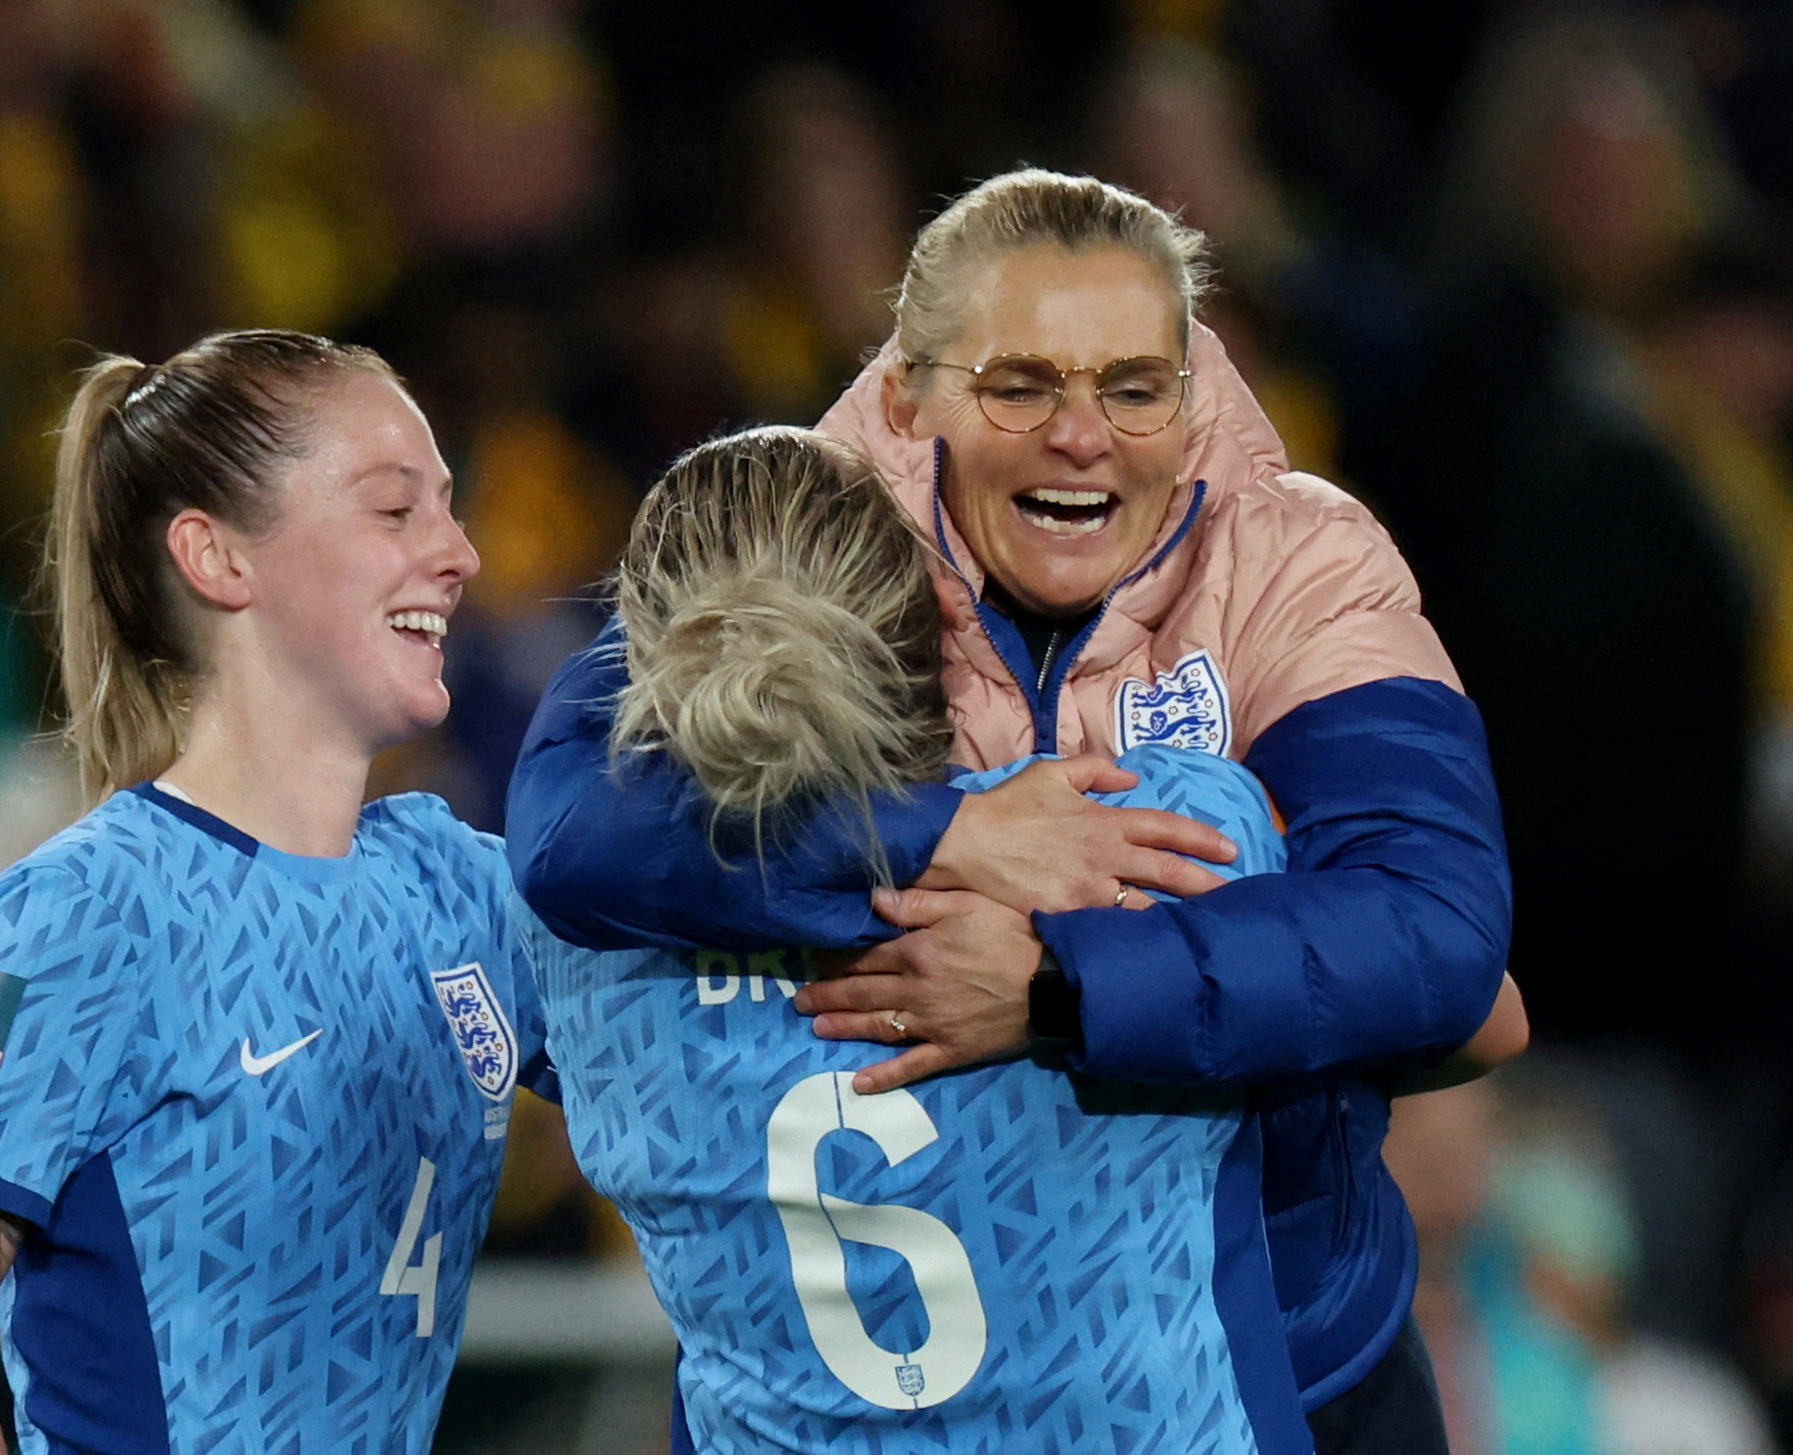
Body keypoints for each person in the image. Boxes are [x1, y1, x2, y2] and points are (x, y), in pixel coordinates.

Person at [509, 170, 1517, 1452]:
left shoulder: (1299, 560)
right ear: (904, 393)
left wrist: (1055, 989)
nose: (1080, 436)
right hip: (861, 1401)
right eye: (1020, 385)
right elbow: (570, 826)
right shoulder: (792, 541)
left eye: (1133, 388)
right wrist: (946, 834)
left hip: (1277, 1369)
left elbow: (1431, 932)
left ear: (1189, 393)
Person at [534, 424, 1312, 1451]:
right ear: (942, 618)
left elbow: (583, 825)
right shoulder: (1159, 831)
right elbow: (1413, 1010)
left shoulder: (584, 946)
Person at [0, 330, 548, 1452]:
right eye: (395, 511)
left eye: (448, 509)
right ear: (218, 560)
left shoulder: (463, 891)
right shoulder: (82, 918)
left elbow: (719, 1031)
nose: (459, 554)